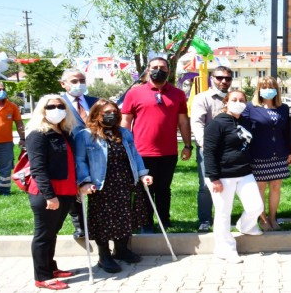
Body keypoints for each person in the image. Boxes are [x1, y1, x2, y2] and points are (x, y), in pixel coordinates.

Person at [75, 99, 153, 273]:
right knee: (103, 221)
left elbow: (135, 154)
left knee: (125, 217)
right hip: (101, 184)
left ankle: (122, 249)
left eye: (115, 112)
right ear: (96, 115)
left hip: (125, 181)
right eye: (107, 112)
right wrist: (85, 181)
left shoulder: (124, 133)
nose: (113, 115)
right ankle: (104, 256)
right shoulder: (86, 135)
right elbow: (80, 160)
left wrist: (143, 173)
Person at [120, 57, 193, 233]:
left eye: (162, 67)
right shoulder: (134, 93)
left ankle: (164, 221)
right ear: (148, 70)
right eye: (155, 67)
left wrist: (188, 146)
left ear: (168, 71)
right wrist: (124, 146)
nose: (158, 70)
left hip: (168, 152)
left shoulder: (178, 94)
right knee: (144, 190)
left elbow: (183, 122)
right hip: (141, 152)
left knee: (163, 189)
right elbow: (125, 121)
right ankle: (144, 223)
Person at [203, 90, 264, 263]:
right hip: (222, 175)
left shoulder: (244, 121)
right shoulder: (216, 124)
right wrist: (213, 178)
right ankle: (225, 249)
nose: (238, 102)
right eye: (234, 99)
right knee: (223, 213)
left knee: (256, 206)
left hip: (244, 172)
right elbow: (209, 152)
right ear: (226, 102)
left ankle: (245, 225)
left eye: (242, 100)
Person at [25, 95, 78, 290]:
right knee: (43, 235)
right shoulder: (37, 134)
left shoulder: (64, 132)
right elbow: (37, 168)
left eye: (60, 105)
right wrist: (49, 195)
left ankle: (51, 268)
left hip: (65, 191)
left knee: (52, 233)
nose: (56, 109)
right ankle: (42, 276)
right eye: (51, 106)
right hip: (47, 194)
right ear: (42, 109)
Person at [242, 76, 291, 231]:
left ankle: (273, 218)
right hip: (258, 154)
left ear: (276, 90)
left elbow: (286, 132)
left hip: (279, 154)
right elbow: (243, 130)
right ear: (258, 89)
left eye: (271, 87)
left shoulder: (283, 108)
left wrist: (289, 152)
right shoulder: (250, 108)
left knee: (276, 187)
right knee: (260, 188)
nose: (267, 90)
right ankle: (263, 219)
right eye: (263, 87)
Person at [190, 66, 233, 232]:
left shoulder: (232, 98)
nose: (223, 81)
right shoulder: (202, 98)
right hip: (208, 149)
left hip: (230, 150)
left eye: (227, 78)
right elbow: (197, 123)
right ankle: (205, 219)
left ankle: (223, 218)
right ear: (212, 78)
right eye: (219, 77)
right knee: (207, 185)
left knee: (228, 185)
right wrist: (205, 144)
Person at [59, 68, 99, 239]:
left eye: (82, 81)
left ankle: (97, 223)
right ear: (63, 84)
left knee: (97, 189)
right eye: (74, 81)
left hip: (96, 154)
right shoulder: (58, 104)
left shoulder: (95, 102)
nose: (79, 84)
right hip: (71, 153)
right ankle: (80, 226)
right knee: (75, 192)